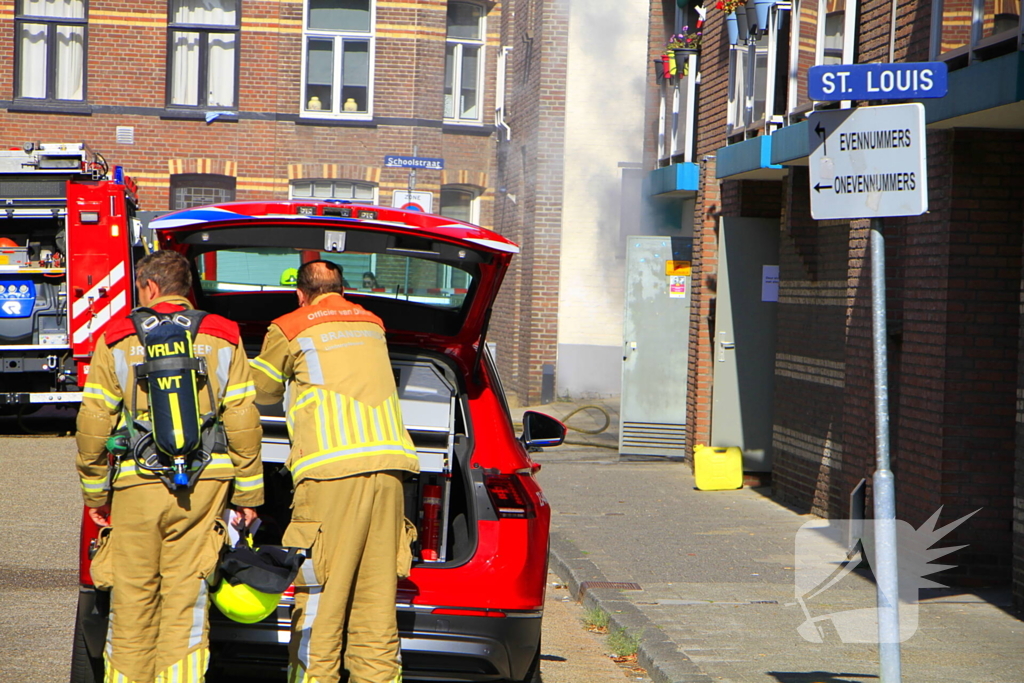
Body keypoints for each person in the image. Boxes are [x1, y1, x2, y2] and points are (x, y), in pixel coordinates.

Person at [76, 249, 264, 683]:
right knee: (186, 600)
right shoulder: (224, 335)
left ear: (150, 287)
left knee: (132, 600)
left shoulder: (117, 337)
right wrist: (250, 494)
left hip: (135, 484)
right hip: (203, 486)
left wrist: (96, 492)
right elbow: (242, 421)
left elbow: (92, 424)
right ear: (186, 292)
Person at [250, 260, 419, 683]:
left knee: (322, 603)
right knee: (376, 607)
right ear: (342, 290)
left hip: (331, 475)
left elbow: (260, 392)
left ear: (300, 294)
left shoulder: (290, 326)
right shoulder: (372, 322)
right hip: (390, 474)